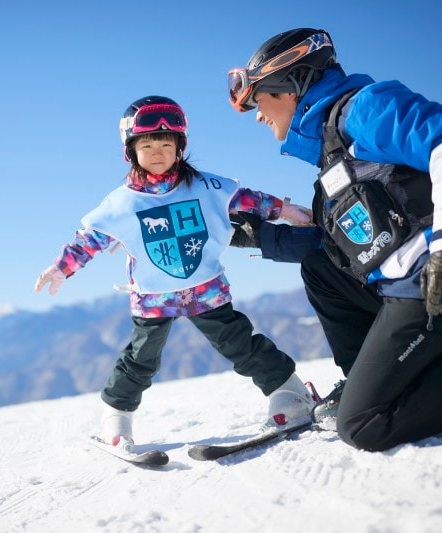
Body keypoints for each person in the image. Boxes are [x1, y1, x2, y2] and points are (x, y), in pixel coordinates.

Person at [227, 28, 442, 451]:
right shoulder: (333, 153)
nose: (257, 115)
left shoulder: (364, 108)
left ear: (289, 87)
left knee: (362, 425)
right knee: (319, 270)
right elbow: (334, 249)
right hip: (407, 288)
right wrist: (260, 238)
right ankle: (368, 377)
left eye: (258, 100)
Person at [34, 95, 317, 453]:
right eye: (147, 145)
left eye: (166, 145)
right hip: (154, 296)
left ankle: (290, 393)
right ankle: (115, 418)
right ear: (130, 151)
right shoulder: (122, 203)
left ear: (179, 148)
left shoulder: (205, 186)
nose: (157, 152)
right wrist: (62, 267)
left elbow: (247, 199)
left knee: (239, 343)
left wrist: (285, 210)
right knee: (141, 358)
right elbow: (90, 239)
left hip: (205, 288)